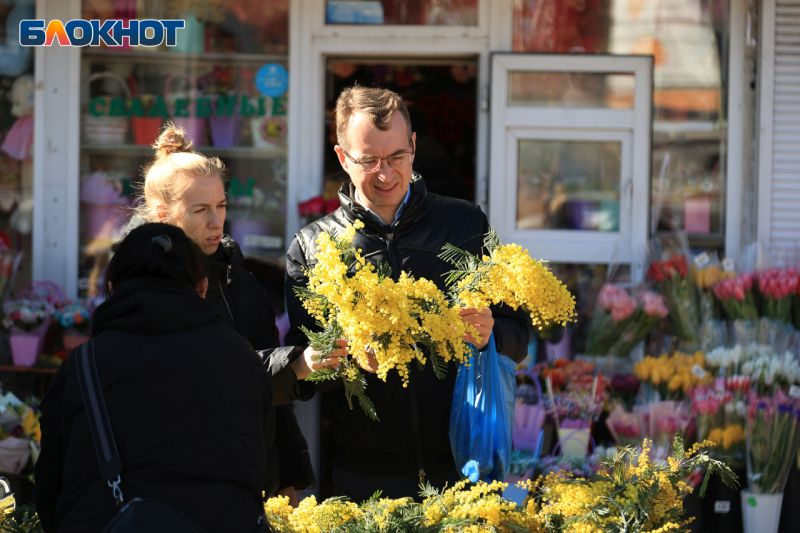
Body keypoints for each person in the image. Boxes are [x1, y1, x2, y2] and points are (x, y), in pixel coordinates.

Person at [285, 86, 530, 501]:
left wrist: (492, 334)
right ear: (342, 157)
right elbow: (304, 369)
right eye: (369, 160)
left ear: (414, 146)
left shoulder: (465, 224)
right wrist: (347, 358)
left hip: (462, 465)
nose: (385, 174)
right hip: (365, 476)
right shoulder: (312, 246)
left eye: (397, 156)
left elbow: (518, 334)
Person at [34, 223, 274, 532]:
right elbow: (258, 468)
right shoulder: (242, 359)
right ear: (202, 288)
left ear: (111, 289)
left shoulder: (83, 366)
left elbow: (49, 488)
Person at [131, 124, 318, 503]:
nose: (216, 221)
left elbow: (276, 408)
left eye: (221, 205)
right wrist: (295, 366)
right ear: (163, 214)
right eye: (201, 210)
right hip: (189, 487)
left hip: (257, 481)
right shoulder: (146, 290)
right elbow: (204, 383)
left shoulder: (242, 281)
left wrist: (290, 477)